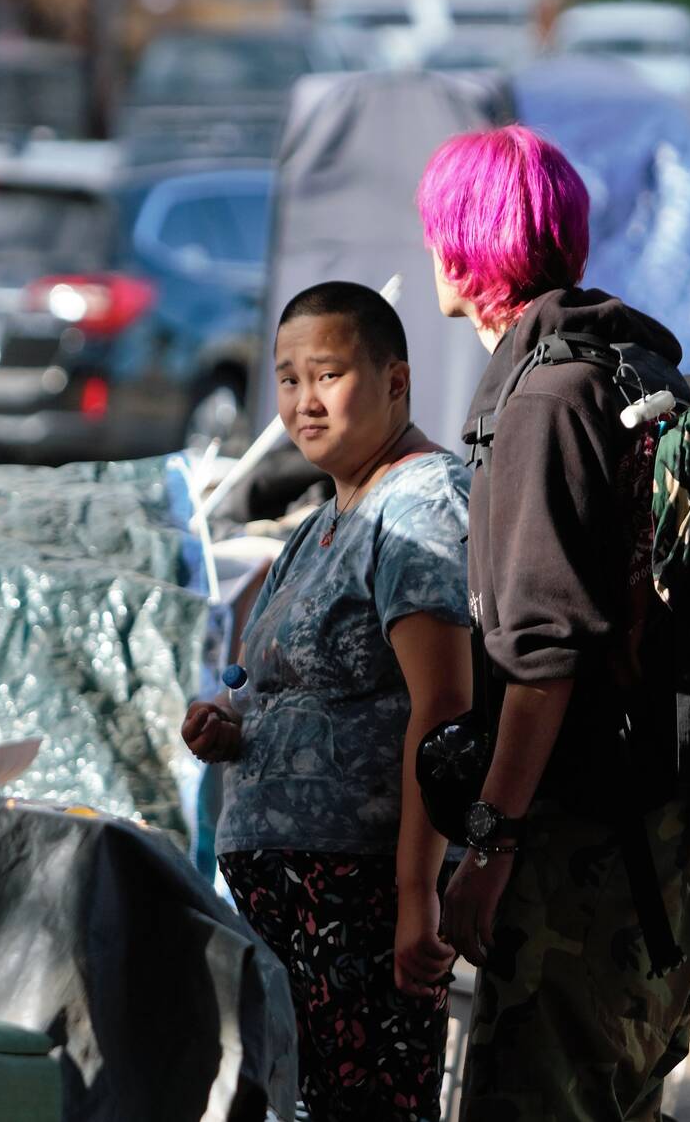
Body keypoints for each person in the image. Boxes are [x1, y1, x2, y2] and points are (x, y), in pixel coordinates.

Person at [418, 126, 690, 1120]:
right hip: (659, 851)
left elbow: (543, 657)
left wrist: (488, 846)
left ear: (463, 249)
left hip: (577, 878)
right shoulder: (626, 364)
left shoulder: (544, 402)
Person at [182, 281, 472, 1122]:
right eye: (287, 378)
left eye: (329, 374)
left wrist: (418, 895)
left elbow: (445, 707)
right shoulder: (321, 521)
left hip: (365, 907)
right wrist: (234, 729)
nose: (305, 401)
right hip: (297, 917)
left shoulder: (420, 505)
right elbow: (309, 690)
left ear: (395, 381)